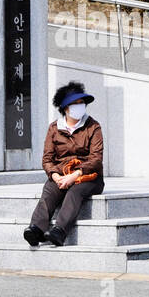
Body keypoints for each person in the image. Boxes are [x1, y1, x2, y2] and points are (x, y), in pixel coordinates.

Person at [25, 82, 105, 247]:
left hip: (88, 177)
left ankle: (59, 231)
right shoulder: (54, 128)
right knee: (49, 190)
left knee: (74, 192)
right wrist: (56, 176)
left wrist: (75, 175)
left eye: (81, 103)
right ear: (65, 108)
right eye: (74, 104)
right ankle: (36, 229)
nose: (79, 107)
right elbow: (47, 159)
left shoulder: (93, 126)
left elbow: (96, 158)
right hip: (61, 174)